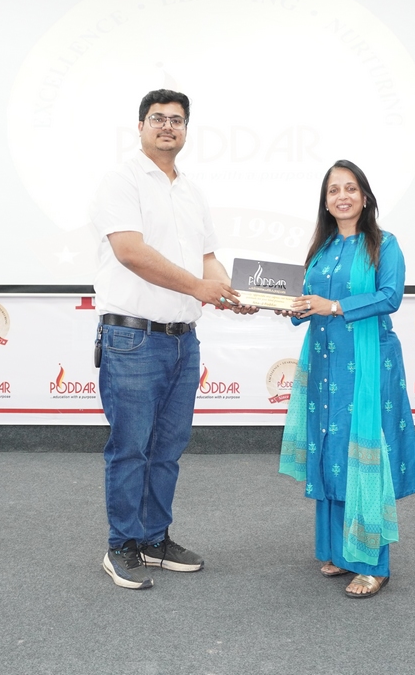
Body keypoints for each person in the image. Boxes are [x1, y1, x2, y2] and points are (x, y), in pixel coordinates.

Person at [91, 89, 256, 590]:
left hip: (184, 341)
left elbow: (207, 260)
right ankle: (122, 545)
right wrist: (199, 288)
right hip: (133, 339)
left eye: (177, 120)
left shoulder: (191, 191)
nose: (168, 126)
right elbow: (130, 252)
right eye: (158, 118)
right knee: (131, 448)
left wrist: (230, 293)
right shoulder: (121, 181)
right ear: (141, 126)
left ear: (186, 130)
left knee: (167, 449)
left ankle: (154, 539)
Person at [276, 159, 415, 598]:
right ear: (325, 202)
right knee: (331, 451)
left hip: (367, 363)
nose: (341, 196)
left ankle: (372, 564)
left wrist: (336, 307)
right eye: (333, 190)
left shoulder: (384, 244)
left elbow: (390, 297)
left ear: (364, 197)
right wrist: (290, 307)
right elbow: (310, 303)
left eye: (350, 188)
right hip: (324, 363)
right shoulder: (321, 250)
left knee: (363, 454)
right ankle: (340, 552)